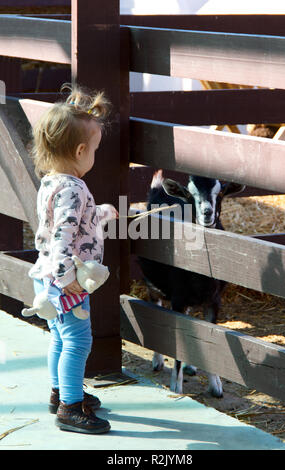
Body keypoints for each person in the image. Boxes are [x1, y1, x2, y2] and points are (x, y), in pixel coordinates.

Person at [28, 84, 117, 434]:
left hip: (45, 275)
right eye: (94, 149)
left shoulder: (51, 182)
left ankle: (60, 391)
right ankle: (70, 407)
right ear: (81, 150)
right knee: (79, 341)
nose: (94, 155)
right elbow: (64, 240)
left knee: (60, 338)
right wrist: (69, 282)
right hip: (64, 281)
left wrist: (100, 214)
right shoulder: (75, 188)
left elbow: (63, 224)